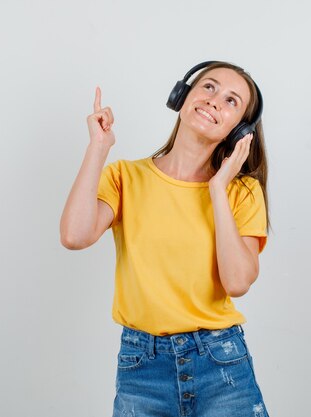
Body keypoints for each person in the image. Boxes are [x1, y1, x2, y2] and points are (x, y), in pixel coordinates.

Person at [60, 60, 271, 417]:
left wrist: (218, 187)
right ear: (182, 94)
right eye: (209, 87)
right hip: (142, 365)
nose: (215, 100)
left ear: (241, 131)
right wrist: (99, 147)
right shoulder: (126, 177)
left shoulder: (242, 192)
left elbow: (237, 283)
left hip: (221, 364)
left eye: (232, 101)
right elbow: (74, 236)